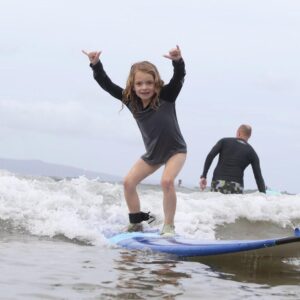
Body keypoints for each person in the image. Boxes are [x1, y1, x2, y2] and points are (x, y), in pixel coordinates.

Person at [82, 46, 187, 236]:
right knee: (128, 183)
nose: (144, 87)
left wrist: (177, 61)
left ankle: (169, 226)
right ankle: (136, 222)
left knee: (167, 182)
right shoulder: (131, 101)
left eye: (149, 83)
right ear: (133, 85)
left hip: (175, 150)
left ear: (156, 83)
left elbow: (178, 78)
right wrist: (95, 65)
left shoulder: (167, 96)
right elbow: (107, 85)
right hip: (153, 153)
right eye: (139, 84)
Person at [199, 124, 266, 194]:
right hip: (236, 186)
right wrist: (264, 196)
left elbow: (210, 156)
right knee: (232, 205)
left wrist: (204, 176)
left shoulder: (224, 141)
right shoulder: (252, 152)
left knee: (216, 204)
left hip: (218, 182)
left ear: (238, 132)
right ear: (249, 136)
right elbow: (258, 177)